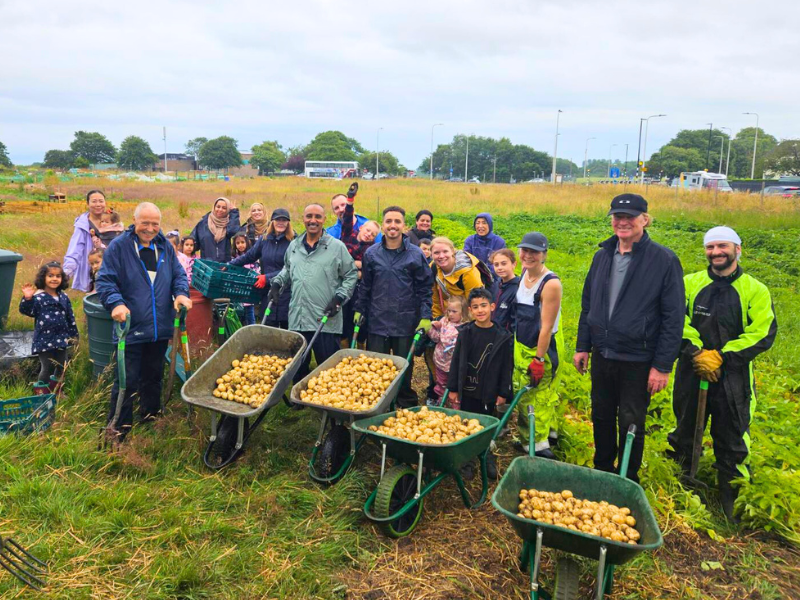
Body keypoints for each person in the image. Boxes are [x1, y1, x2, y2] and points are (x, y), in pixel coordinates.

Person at [667, 226, 777, 521]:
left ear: (737, 249)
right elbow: (676, 319)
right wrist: (697, 352)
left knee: (733, 433)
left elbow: (762, 332)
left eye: (722, 246)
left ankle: (730, 497)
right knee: (686, 426)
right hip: (692, 370)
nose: (716, 252)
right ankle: (681, 480)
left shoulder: (755, 289)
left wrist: (722, 357)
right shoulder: (690, 283)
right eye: (710, 247)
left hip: (734, 375)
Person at [574, 194, 685, 483]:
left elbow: (674, 317)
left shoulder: (663, 260)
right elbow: (589, 303)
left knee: (631, 421)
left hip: (638, 357)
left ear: (645, 220)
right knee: (601, 415)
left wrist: (662, 365)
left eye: (630, 217)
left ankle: (627, 477)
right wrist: (583, 345)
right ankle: (602, 470)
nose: (622, 222)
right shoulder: (602, 256)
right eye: (617, 217)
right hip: (603, 354)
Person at [95, 202, 192, 440]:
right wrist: (116, 303)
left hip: (159, 327)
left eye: (155, 224)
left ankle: (150, 416)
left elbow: (178, 275)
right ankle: (119, 428)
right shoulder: (119, 247)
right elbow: (105, 280)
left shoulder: (164, 248)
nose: (150, 228)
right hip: (131, 326)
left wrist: (181, 293)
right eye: (145, 223)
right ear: (134, 221)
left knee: (153, 375)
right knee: (127, 379)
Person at [354, 205, 433, 408]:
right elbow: (366, 286)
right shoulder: (372, 254)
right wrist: (359, 309)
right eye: (389, 221)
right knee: (376, 366)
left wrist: (425, 316)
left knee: (403, 366)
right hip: (377, 320)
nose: (393, 225)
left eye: (397, 221)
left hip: (404, 321)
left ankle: (404, 404)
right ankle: (377, 404)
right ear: (383, 225)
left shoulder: (415, 255)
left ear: (404, 225)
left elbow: (425, 288)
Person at [269, 204, 357, 381]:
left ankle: (330, 402)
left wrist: (339, 298)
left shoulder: (336, 247)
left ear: (324, 220)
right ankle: (299, 397)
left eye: (318, 217)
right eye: (309, 216)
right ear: (303, 219)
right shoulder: (294, 246)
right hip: (298, 317)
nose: (313, 220)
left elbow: (351, 274)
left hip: (324, 317)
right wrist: (277, 284)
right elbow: (288, 269)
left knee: (327, 364)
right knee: (298, 363)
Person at [447, 287, 514, 479]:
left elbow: (506, 367)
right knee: (466, 423)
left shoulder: (502, 336)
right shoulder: (466, 333)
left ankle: (485, 454)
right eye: (475, 307)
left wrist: (503, 392)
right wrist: (453, 388)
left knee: (486, 424)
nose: (480, 310)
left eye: (484, 306)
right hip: (467, 389)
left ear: (492, 307)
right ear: (470, 311)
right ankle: (466, 459)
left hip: (488, 391)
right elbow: (457, 360)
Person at [511, 233, 564, 458]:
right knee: (524, 394)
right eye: (525, 250)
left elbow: (546, 327)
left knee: (538, 396)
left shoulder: (550, 283)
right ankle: (531, 437)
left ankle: (540, 448)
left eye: (535, 252)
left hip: (543, 346)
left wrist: (539, 359)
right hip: (523, 343)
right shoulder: (525, 274)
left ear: (544, 254)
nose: (528, 255)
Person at [19, 261, 79, 396]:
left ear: (62, 278)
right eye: (50, 275)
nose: (54, 279)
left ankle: (57, 391)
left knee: (62, 365)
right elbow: (27, 311)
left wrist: (74, 335)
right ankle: (42, 394)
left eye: (58, 276)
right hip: (44, 340)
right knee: (47, 366)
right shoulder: (39, 298)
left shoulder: (63, 297)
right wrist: (28, 299)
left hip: (61, 338)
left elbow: (70, 316)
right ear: (43, 278)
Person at [231, 208, 293, 329]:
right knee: (268, 327)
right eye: (277, 220)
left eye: (284, 220)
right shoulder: (265, 239)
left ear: (288, 223)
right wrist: (230, 264)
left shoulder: (293, 242)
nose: (281, 223)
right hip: (268, 292)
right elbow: (250, 256)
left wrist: (267, 277)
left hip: (286, 293)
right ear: (272, 222)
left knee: (286, 328)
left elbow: (291, 268)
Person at [339, 184, 380, 347]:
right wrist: (350, 200)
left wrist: (357, 265)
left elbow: (369, 268)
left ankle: (360, 348)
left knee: (360, 320)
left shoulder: (372, 250)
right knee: (343, 320)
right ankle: (342, 350)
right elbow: (348, 217)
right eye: (368, 230)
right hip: (342, 286)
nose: (369, 234)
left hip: (359, 289)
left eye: (373, 234)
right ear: (361, 227)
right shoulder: (348, 234)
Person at [430, 237, 487, 319]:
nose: (441, 256)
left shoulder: (468, 272)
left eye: (445, 251)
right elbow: (435, 299)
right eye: (436, 253)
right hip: (449, 315)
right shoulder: (433, 267)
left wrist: (470, 327)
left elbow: (476, 303)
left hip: (467, 317)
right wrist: (437, 319)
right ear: (431, 255)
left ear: (453, 251)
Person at [63, 189, 108, 292]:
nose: (98, 204)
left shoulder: (111, 221)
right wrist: (66, 273)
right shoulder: (82, 225)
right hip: (92, 271)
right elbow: (74, 250)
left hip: (111, 270)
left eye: (101, 201)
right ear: (87, 204)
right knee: (94, 302)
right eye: (94, 201)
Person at [427, 296, 467, 404]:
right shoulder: (444, 321)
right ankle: (441, 401)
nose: (450, 314)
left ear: (463, 312)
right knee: (441, 383)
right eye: (449, 311)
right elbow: (436, 338)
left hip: (454, 365)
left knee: (455, 386)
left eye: (454, 311)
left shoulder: (464, 327)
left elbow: (448, 342)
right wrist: (431, 329)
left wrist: (441, 332)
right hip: (441, 362)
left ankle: (455, 405)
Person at [190, 197, 241, 262]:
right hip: (206, 266)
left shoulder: (229, 223)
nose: (220, 209)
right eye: (218, 207)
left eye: (224, 208)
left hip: (224, 267)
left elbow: (232, 231)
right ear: (214, 207)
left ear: (228, 210)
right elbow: (192, 243)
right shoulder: (203, 223)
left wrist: (234, 212)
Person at [231, 232, 258, 325]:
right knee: (239, 313)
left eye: (242, 242)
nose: (240, 245)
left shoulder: (253, 257)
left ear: (247, 242)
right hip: (237, 290)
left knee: (250, 313)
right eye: (238, 243)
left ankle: (252, 330)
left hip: (248, 289)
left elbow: (256, 272)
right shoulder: (234, 258)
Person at [491, 249, 519, 331]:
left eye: (504, 264)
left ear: (514, 264)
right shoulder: (496, 284)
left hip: (507, 336)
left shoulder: (518, 288)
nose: (500, 268)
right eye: (496, 265)